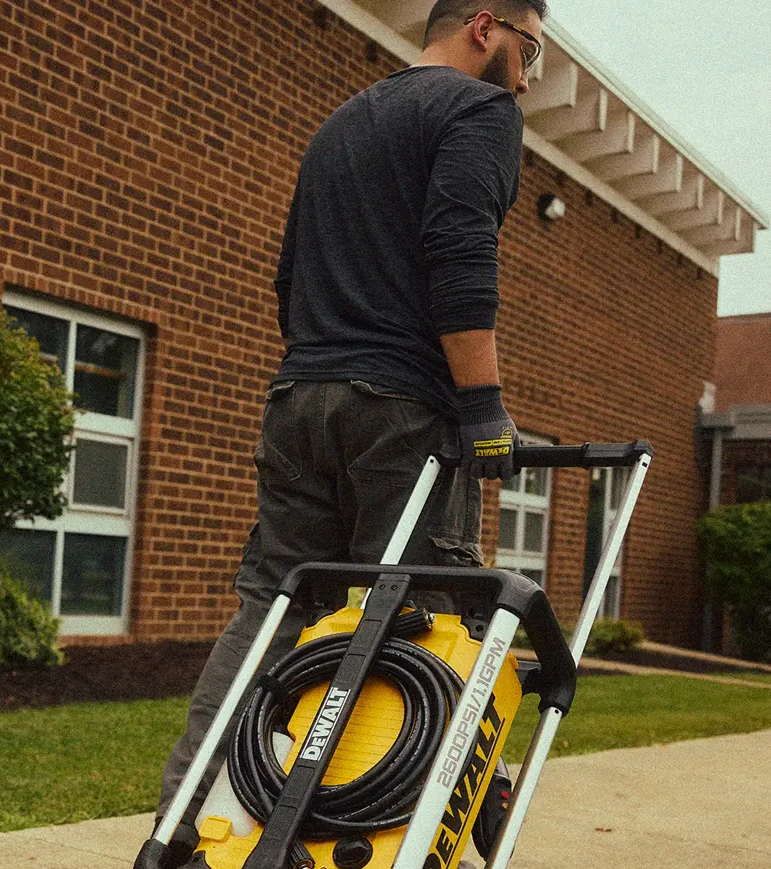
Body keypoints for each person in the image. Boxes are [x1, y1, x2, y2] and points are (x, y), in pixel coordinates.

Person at [157, 0, 547, 816]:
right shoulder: (481, 108)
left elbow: (289, 273)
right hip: (403, 412)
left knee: (272, 609)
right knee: (418, 618)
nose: (529, 75)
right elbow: (459, 253)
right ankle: (393, 854)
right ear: (486, 28)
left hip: (301, 394)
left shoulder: (342, 122)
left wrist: (327, 360)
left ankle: (186, 824)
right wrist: (482, 406)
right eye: (531, 51)